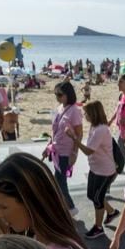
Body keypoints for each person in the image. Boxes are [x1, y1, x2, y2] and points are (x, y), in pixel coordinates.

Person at [68, 101, 119, 239]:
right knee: (92, 195)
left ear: (93, 113)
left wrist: (73, 138)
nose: (85, 115)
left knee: (97, 198)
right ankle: (112, 212)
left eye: (86, 113)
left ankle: (98, 228)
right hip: (96, 169)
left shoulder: (101, 129)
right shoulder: (94, 127)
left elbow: (89, 151)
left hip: (105, 171)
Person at [44, 82, 82, 215]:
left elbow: (79, 133)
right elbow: (54, 131)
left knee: (60, 182)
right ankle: (64, 206)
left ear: (68, 94)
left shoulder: (74, 111)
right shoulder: (60, 108)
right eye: (56, 94)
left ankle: (70, 208)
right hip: (56, 150)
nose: (57, 97)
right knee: (57, 181)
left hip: (65, 152)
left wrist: (74, 153)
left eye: (60, 94)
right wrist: (48, 145)